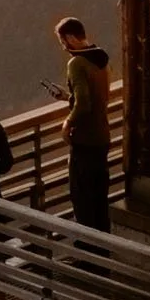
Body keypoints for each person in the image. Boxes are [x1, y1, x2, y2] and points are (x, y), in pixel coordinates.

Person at [54, 17, 111, 231]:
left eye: (63, 42)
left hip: (85, 142)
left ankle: (89, 255)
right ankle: (104, 252)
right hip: (103, 136)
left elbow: (84, 104)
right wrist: (67, 97)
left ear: (70, 38)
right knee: (99, 200)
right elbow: (94, 99)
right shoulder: (101, 59)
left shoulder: (77, 63)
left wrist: (67, 124)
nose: (64, 47)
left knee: (83, 200)